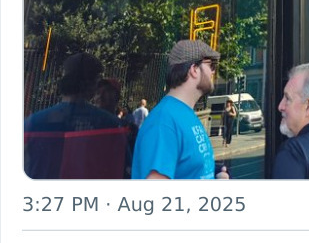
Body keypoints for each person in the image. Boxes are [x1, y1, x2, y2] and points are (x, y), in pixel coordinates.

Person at [131, 40, 228, 180]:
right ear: (194, 69)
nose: (213, 71)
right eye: (211, 65)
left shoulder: (185, 115)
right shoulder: (163, 121)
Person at [24, 52, 130, 178]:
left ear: (63, 79)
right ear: (93, 84)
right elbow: (124, 171)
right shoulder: (111, 125)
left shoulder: (32, 123)